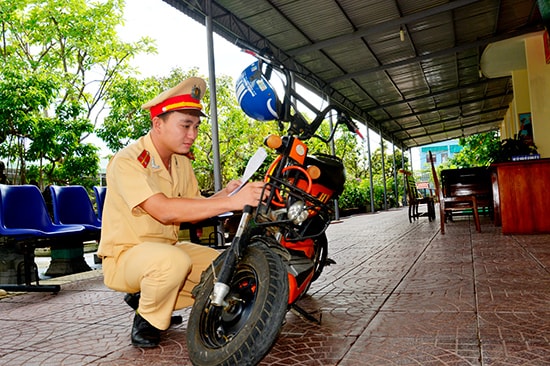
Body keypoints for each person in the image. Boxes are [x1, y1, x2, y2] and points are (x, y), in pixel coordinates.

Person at [97, 77, 267, 348]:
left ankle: (148, 295)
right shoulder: (128, 161)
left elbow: (194, 209)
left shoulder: (180, 162)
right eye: (185, 126)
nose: (193, 135)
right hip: (126, 256)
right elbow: (163, 211)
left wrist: (227, 196)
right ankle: (148, 318)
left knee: (225, 269)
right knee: (172, 263)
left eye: (196, 127)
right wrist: (229, 204)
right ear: (158, 124)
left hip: (167, 249)